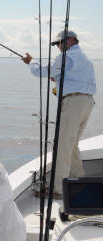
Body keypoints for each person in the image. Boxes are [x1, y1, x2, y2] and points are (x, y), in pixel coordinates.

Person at [22, 30, 96, 198]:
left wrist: (31, 62)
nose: (58, 47)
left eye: (59, 43)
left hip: (73, 103)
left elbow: (40, 71)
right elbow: (74, 79)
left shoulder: (66, 57)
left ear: (71, 40)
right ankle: (79, 180)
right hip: (87, 102)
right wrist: (59, 78)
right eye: (56, 44)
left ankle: (59, 189)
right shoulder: (84, 59)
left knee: (62, 145)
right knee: (72, 143)